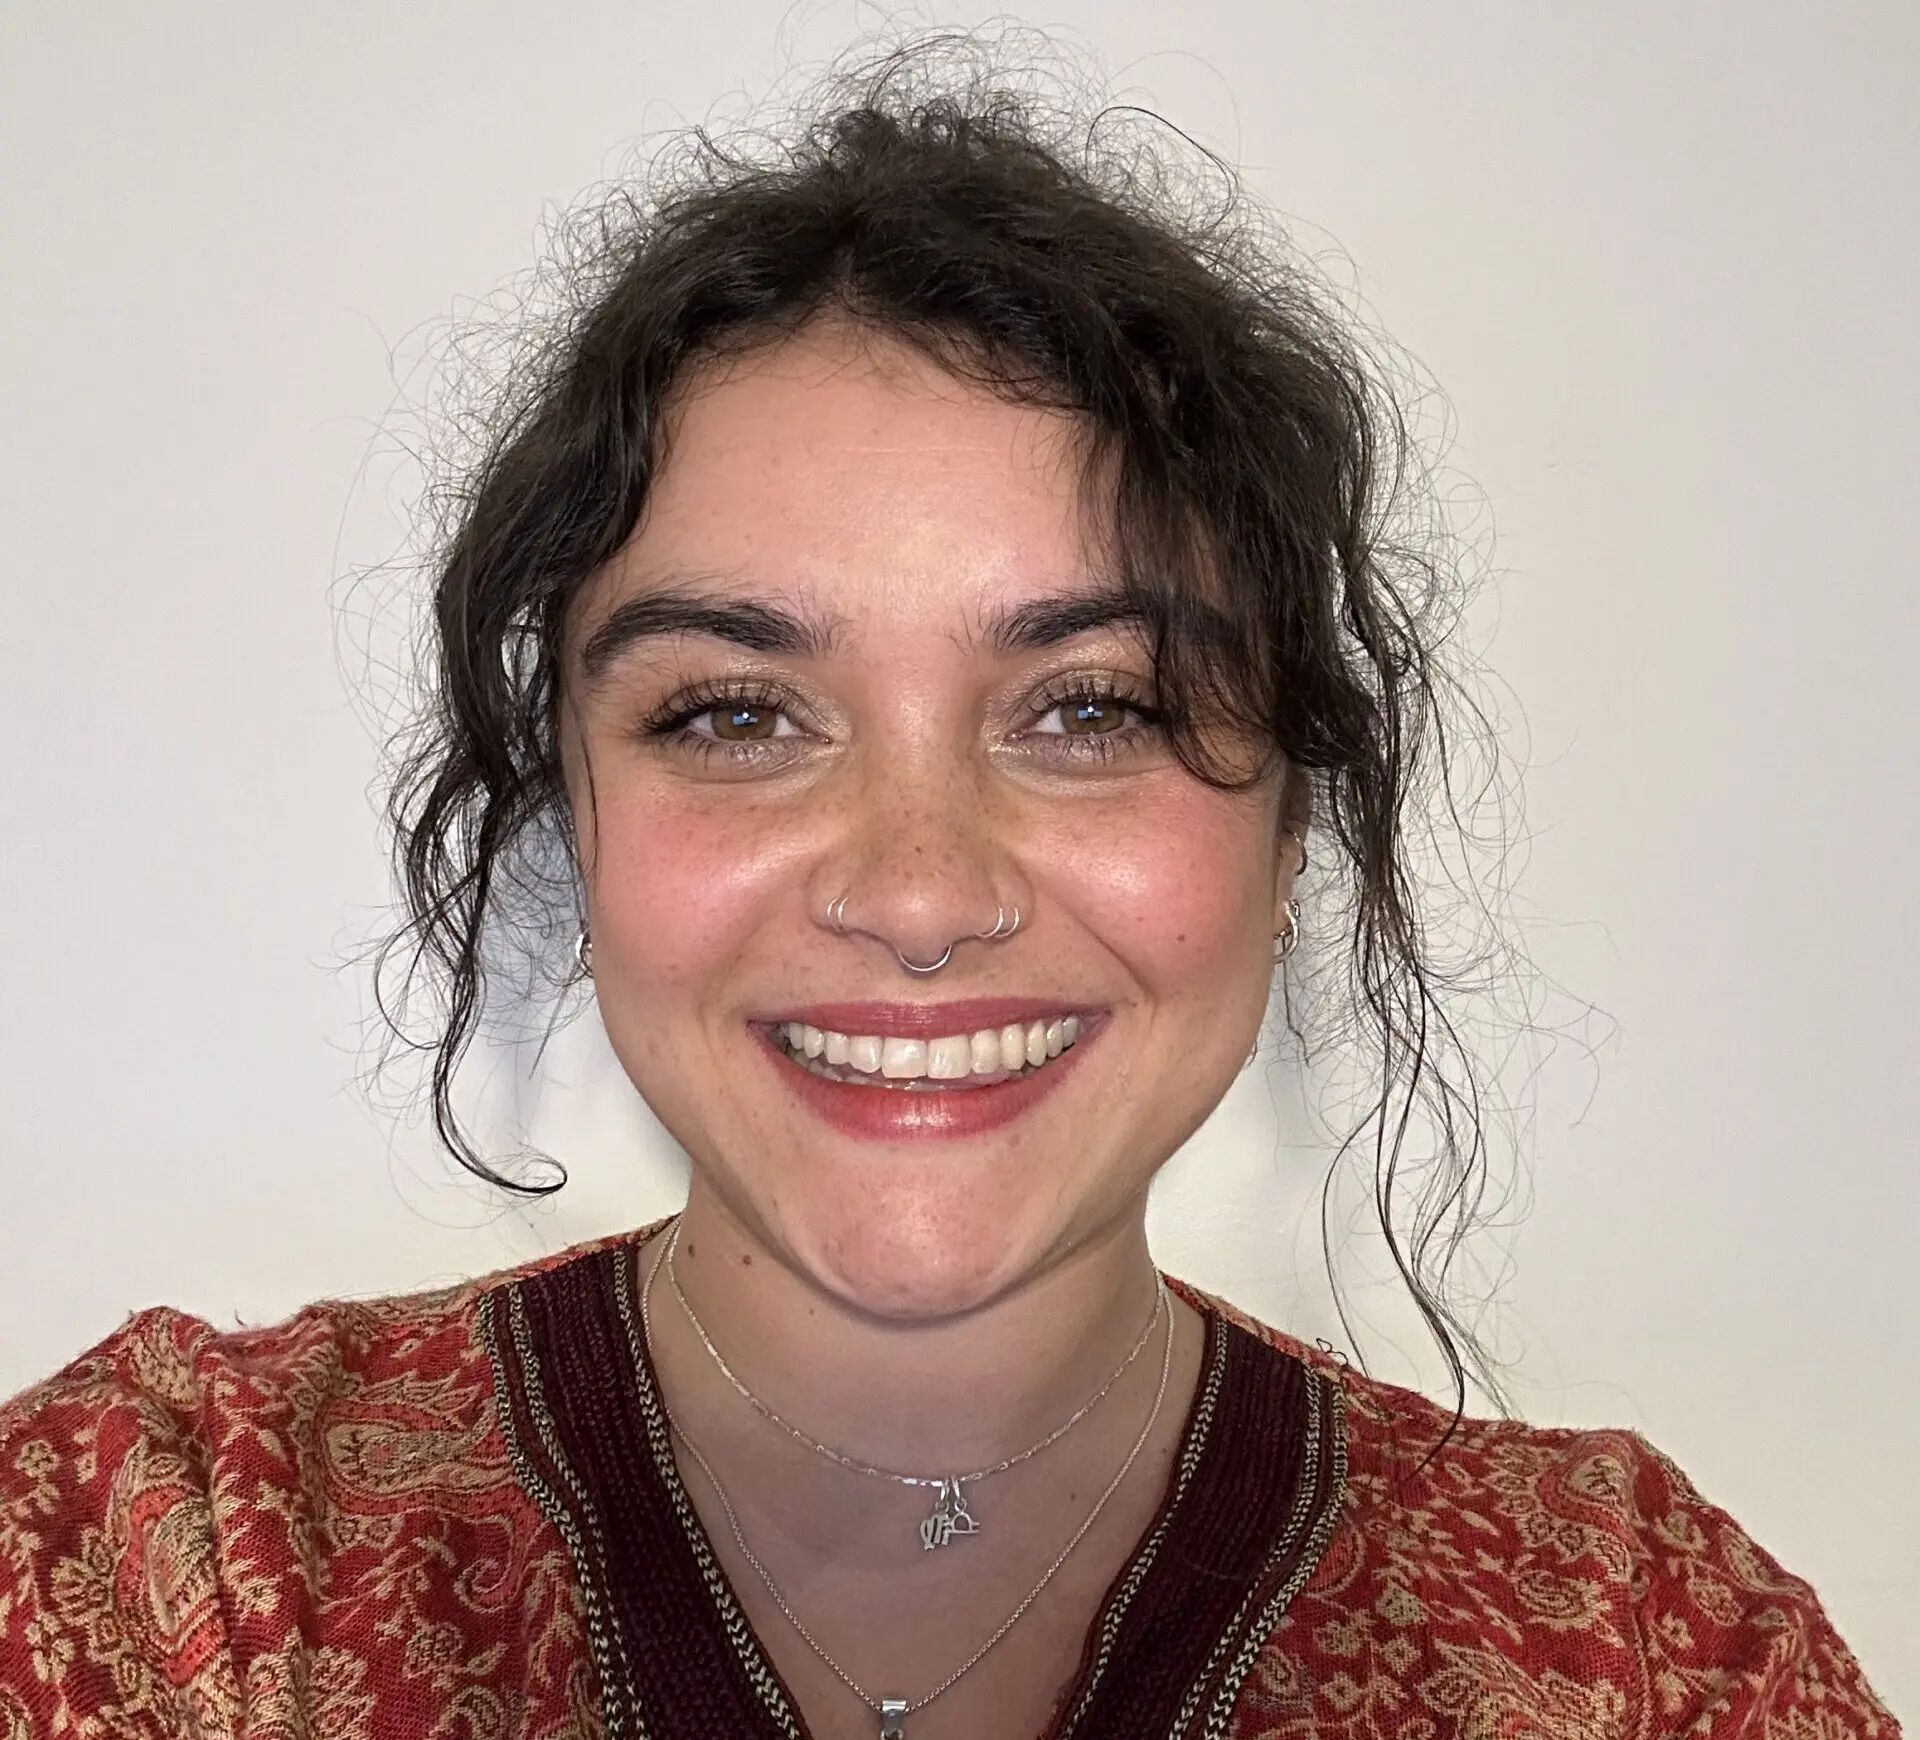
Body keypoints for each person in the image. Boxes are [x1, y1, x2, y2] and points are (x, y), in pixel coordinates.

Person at [0, 44, 1896, 1740]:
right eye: (738, 712)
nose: (920, 894)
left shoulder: (1636, 1654)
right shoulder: (180, 1566)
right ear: (569, 813)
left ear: (1291, 827)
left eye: (1093, 707)